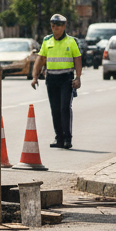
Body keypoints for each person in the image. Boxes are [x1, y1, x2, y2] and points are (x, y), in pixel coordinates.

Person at [31, 13, 83, 149]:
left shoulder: (71, 41)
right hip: (51, 79)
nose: (55, 28)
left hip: (66, 78)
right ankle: (59, 138)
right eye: (53, 25)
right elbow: (40, 59)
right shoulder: (47, 40)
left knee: (65, 108)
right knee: (55, 109)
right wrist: (35, 77)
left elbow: (77, 59)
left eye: (58, 26)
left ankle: (67, 138)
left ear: (64, 26)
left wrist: (78, 77)